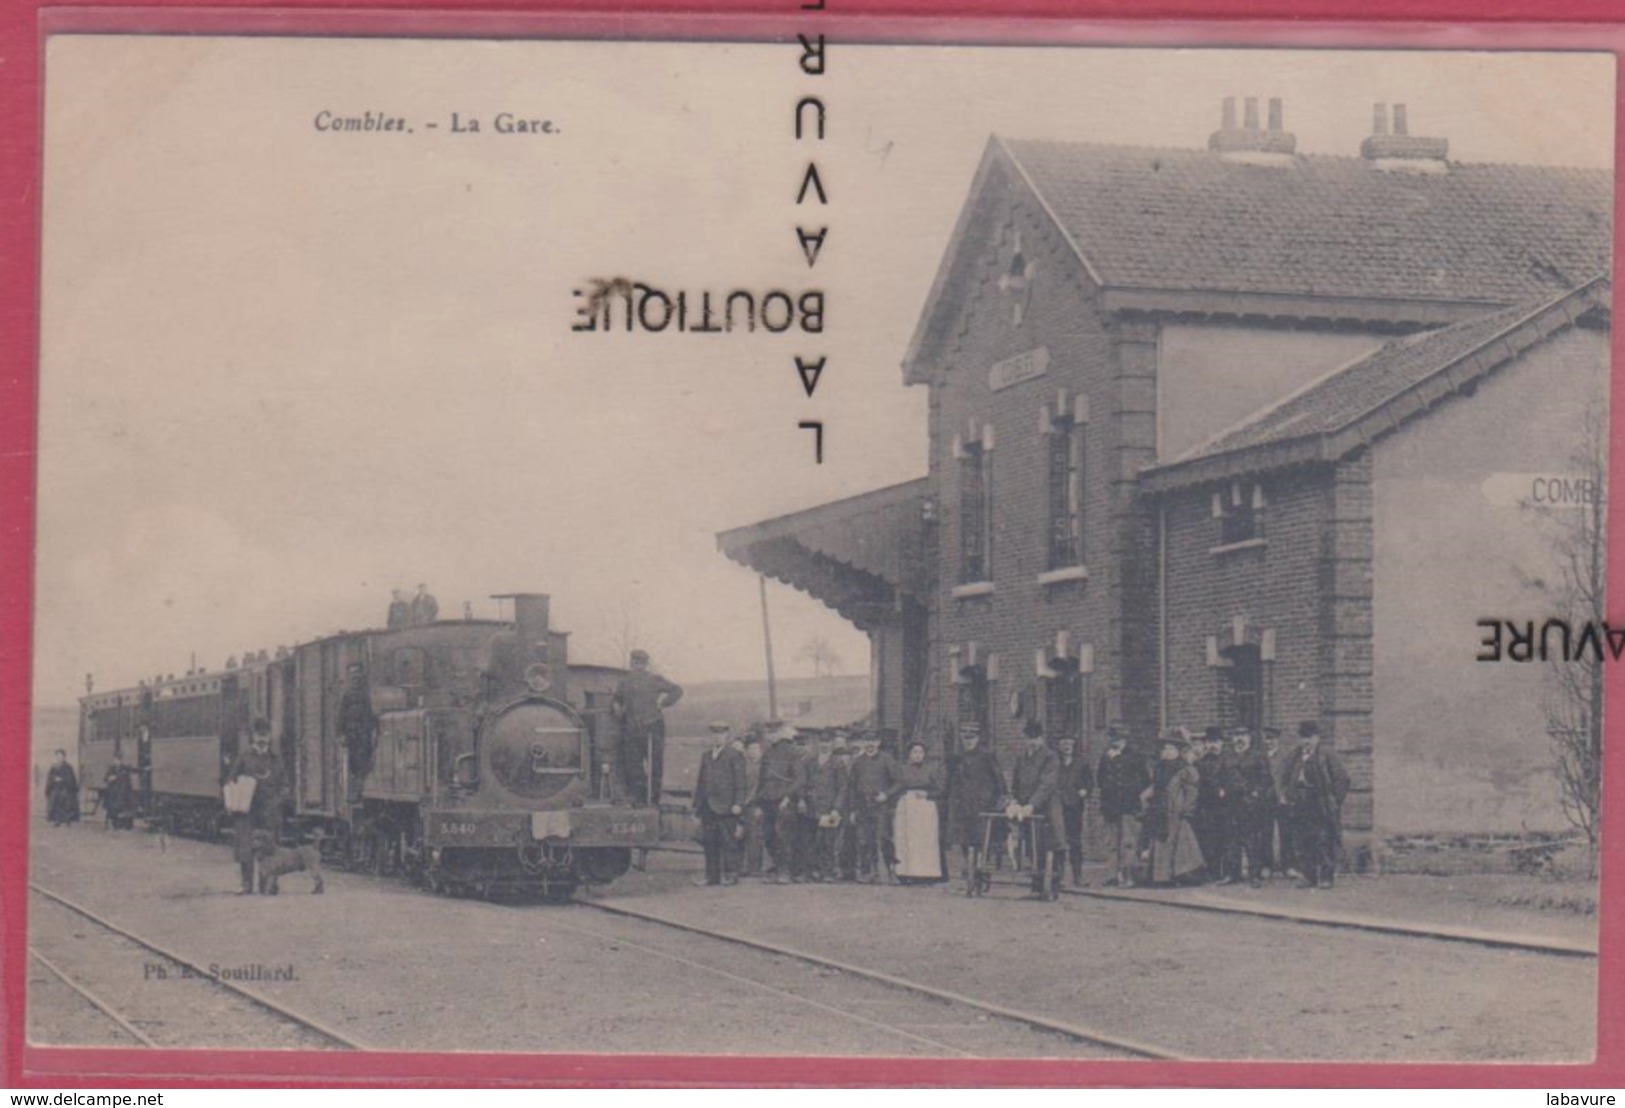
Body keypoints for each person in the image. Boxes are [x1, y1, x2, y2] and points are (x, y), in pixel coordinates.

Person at [611, 649, 684, 805]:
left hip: (653, 727)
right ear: (632, 664)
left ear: (645, 665)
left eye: (641, 663)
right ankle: (640, 798)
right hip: (631, 728)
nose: (638, 666)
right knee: (633, 766)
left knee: (655, 764)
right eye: (636, 663)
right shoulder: (624, 682)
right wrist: (617, 707)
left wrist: (663, 703)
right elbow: (617, 699)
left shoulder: (654, 680)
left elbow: (677, 690)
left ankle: (653, 798)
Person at [1284, 720, 1350, 889]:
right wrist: (1288, 795)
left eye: (1310, 737)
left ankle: (1326, 877)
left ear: (1317, 738)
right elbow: (1285, 776)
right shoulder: (1295, 755)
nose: (1306, 741)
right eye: (1303, 737)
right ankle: (1308, 876)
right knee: (1302, 841)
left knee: (1323, 840)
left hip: (1319, 803)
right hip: (1299, 803)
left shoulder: (1326, 755)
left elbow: (1342, 780)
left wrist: (1334, 802)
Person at [226, 719, 285, 895]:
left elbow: (285, 784)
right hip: (247, 810)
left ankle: (267, 884)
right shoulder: (243, 757)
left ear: (269, 736)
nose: (262, 739)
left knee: (268, 847)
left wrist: (277, 799)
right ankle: (246, 884)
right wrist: (234, 799)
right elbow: (231, 780)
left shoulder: (276, 758)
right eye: (259, 735)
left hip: (269, 809)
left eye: (265, 735)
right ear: (253, 736)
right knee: (245, 847)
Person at [1006, 720, 1065, 897]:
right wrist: (1015, 800)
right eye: (1028, 739)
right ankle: (1036, 885)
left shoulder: (1050, 757)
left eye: (1035, 739)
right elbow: (1016, 782)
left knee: (1050, 845)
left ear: (1041, 738)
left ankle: (1053, 884)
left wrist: (1033, 803)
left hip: (1047, 808)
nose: (1031, 743)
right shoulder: (1023, 757)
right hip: (1027, 809)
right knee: (1032, 845)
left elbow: (1047, 784)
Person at [1139, 734, 1204, 886]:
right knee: (1159, 841)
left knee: (1177, 844)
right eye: (1166, 749)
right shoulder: (1159, 768)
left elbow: (1191, 791)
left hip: (1175, 811)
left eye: (1171, 749)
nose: (1168, 752)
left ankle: (1176, 875)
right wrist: (1145, 798)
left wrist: (1187, 809)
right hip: (1159, 809)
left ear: (1178, 752)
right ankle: (1160, 876)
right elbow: (1155, 787)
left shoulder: (1185, 770)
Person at [945, 723, 1003, 886]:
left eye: (971, 738)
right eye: (965, 738)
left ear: (978, 739)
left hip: (982, 805)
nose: (968, 742)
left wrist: (999, 799)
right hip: (963, 805)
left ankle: (981, 868)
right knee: (964, 838)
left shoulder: (987, 756)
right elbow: (952, 780)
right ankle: (970, 866)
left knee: (982, 839)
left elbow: (998, 779)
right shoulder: (958, 757)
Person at [691, 721, 747, 886]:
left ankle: (731, 875)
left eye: (721, 734)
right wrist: (697, 805)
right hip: (708, 806)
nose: (717, 737)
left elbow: (740, 782)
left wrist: (738, 803)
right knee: (709, 842)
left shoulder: (734, 755)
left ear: (726, 736)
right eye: (714, 734)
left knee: (729, 841)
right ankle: (711, 876)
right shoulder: (706, 756)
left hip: (726, 806)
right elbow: (701, 782)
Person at [1217, 728, 1275, 888]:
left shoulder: (1257, 756)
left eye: (1243, 736)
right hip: (1230, 803)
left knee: (1252, 840)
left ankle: (1254, 875)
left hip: (1250, 803)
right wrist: (1220, 789)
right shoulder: (1226, 756)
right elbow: (1218, 775)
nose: (1240, 739)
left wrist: (1256, 794)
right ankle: (1232, 874)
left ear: (1249, 738)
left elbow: (1266, 778)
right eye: (1236, 736)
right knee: (1231, 839)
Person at [1096, 726, 1148, 887]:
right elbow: (1100, 779)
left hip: (1129, 804)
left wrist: (1134, 794)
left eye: (1117, 739)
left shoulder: (1135, 757)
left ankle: (1128, 875)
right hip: (1110, 805)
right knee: (1111, 842)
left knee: (1129, 842)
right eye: (1112, 739)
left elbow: (1145, 779)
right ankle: (1112, 875)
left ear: (1124, 740)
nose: (1114, 742)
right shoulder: (1105, 757)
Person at [848, 730, 902, 883]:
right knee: (864, 839)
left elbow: (899, 782)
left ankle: (891, 871)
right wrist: (853, 809)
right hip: (863, 806)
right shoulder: (858, 762)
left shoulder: (887, 759)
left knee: (884, 837)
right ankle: (869, 872)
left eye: (873, 741)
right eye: (867, 741)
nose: (870, 744)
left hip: (881, 806)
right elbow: (852, 786)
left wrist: (886, 794)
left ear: (878, 743)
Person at [756, 722, 804, 883]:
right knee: (769, 837)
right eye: (768, 732)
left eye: (774, 732)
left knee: (784, 836)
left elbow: (799, 779)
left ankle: (786, 871)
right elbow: (761, 780)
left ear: (781, 733)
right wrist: (758, 802)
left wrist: (788, 797)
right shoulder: (768, 752)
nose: (771, 735)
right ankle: (777, 868)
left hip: (784, 801)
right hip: (767, 800)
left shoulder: (792, 752)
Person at [800, 732, 849, 883]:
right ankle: (811, 871)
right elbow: (802, 782)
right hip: (811, 806)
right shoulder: (809, 761)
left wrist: (836, 808)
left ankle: (827, 872)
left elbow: (842, 787)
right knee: (810, 840)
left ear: (832, 744)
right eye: (822, 742)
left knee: (828, 841)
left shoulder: (837, 763)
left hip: (828, 807)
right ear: (817, 743)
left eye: (827, 742)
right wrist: (802, 799)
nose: (824, 745)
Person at [893, 740, 944, 882]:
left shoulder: (930, 770)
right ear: (909, 754)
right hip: (907, 806)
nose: (917, 755)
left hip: (925, 807)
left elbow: (940, 789)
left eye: (920, 752)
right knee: (906, 839)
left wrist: (928, 794)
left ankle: (926, 874)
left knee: (924, 840)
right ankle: (905, 872)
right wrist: (901, 795)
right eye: (914, 752)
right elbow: (896, 785)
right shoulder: (902, 769)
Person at [1055, 733, 1095, 887]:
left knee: (1075, 841)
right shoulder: (1054, 762)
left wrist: (1085, 790)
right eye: (1063, 743)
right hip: (1057, 805)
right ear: (1059, 745)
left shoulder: (1082, 762)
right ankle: (1058, 876)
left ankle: (1077, 876)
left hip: (1074, 806)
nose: (1066, 746)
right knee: (1058, 840)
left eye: (1069, 743)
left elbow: (1089, 782)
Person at [338, 662, 378, 805]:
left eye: (357, 673)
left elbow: (372, 713)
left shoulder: (368, 693)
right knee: (354, 766)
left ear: (362, 675)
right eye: (352, 673)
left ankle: (361, 792)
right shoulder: (347, 695)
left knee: (364, 765)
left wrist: (373, 731)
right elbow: (341, 716)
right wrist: (342, 734)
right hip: (352, 735)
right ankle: (355, 793)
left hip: (365, 734)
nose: (355, 676)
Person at [1192, 726, 1227, 883]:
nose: (1213, 745)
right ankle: (1211, 872)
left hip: (1226, 807)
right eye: (1210, 742)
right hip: (1206, 807)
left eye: (1216, 742)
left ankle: (1225, 872)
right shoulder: (1199, 764)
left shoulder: (1228, 761)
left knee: (1224, 840)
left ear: (1221, 743)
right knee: (1207, 840)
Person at [1262, 726, 1295, 879]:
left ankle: (1287, 866)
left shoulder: (1286, 757)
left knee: (1286, 833)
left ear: (1278, 740)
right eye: (1267, 739)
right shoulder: (1260, 757)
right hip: (1265, 800)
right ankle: (1267, 865)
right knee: (1265, 833)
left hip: (1282, 800)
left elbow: (1289, 779)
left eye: (1272, 739)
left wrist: (1285, 795)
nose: (1269, 742)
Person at [737, 732, 765, 877]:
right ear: (746, 751)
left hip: (756, 805)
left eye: (756, 749)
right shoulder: (743, 765)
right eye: (751, 749)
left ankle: (755, 868)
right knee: (740, 835)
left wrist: (752, 799)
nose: (754, 752)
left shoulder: (764, 766)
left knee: (755, 837)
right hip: (742, 805)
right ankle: (740, 867)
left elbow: (762, 787)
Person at [101, 755, 137, 831]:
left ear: (121, 760)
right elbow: (105, 778)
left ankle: (122, 825)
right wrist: (110, 778)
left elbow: (128, 779)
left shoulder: (124, 768)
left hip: (122, 792)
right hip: (113, 792)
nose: (117, 761)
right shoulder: (112, 768)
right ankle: (115, 824)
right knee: (113, 808)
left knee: (122, 808)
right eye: (116, 760)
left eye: (118, 760)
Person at [45, 749, 80, 826]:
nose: (59, 758)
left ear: (64, 757)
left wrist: (62, 779)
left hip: (66, 788)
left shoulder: (68, 767)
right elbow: (50, 777)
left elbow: (71, 779)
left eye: (61, 756)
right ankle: (57, 820)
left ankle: (67, 819)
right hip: (56, 788)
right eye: (58, 756)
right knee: (55, 801)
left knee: (65, 801)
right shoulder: (54, 767)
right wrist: (53, 779)